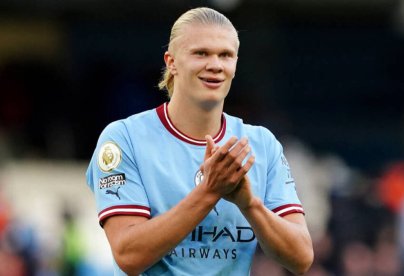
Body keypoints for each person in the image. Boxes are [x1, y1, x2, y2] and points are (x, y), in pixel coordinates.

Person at [86, 7, 313, 276]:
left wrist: (250, 205)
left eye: (225, 55)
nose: (215, 65)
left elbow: (301, 258)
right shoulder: (124, 139)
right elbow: (128, 255)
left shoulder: (261, 144)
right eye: (201, 53)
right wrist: (209, 192)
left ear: (235, 64)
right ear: (171, 62)